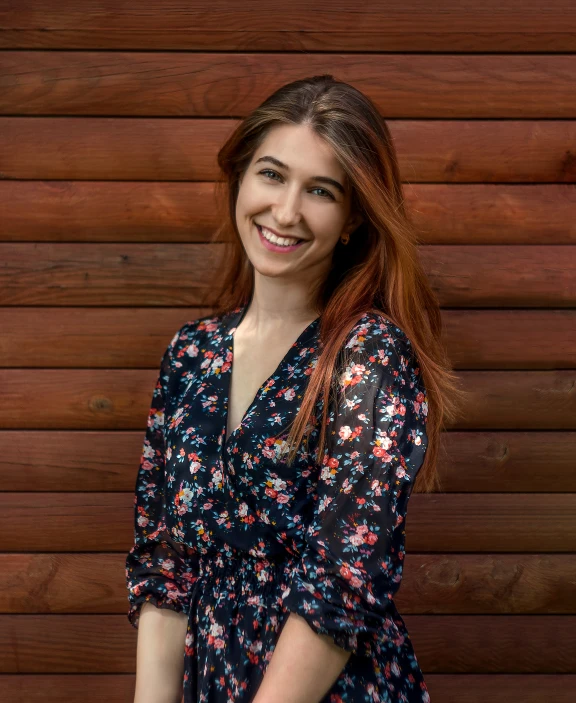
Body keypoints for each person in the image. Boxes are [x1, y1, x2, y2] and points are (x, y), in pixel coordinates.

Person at [125, 74, 465, 703]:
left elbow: (343, 583)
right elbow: (164, 566)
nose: (285, 212)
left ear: (354, 216)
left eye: (321, 190)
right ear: (241, 175)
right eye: (272, 175)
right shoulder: (191, 353)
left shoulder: (368, 356)